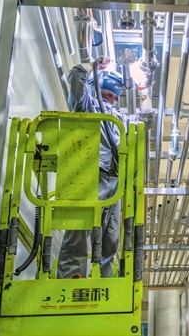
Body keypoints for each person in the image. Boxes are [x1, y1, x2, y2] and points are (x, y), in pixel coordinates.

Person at [57, 56, 133, 278]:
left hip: (115, 179)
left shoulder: (122, 119)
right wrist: (92, 67)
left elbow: (136, 135)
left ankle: (105, 280)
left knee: (110, 238)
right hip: (91, 173)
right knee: (79, 229)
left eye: (113, 97)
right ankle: (71, 277)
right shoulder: (88, 104)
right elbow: (76, 79)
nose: (110, 100)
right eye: (107, 95)